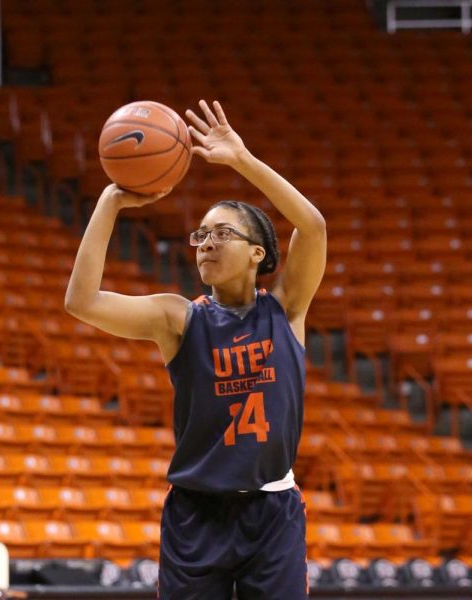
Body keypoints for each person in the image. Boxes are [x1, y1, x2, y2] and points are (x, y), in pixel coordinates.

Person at [64, 100, 326, 599]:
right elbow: (81, 302)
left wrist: (241, 159)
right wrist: (111, 201)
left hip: (271, 513)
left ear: (258, 253)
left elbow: (312, 226)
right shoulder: (178, 318)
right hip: (195, 514)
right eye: (200, 234)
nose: (206, 242)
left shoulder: (288, 309)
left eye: (222, 233)